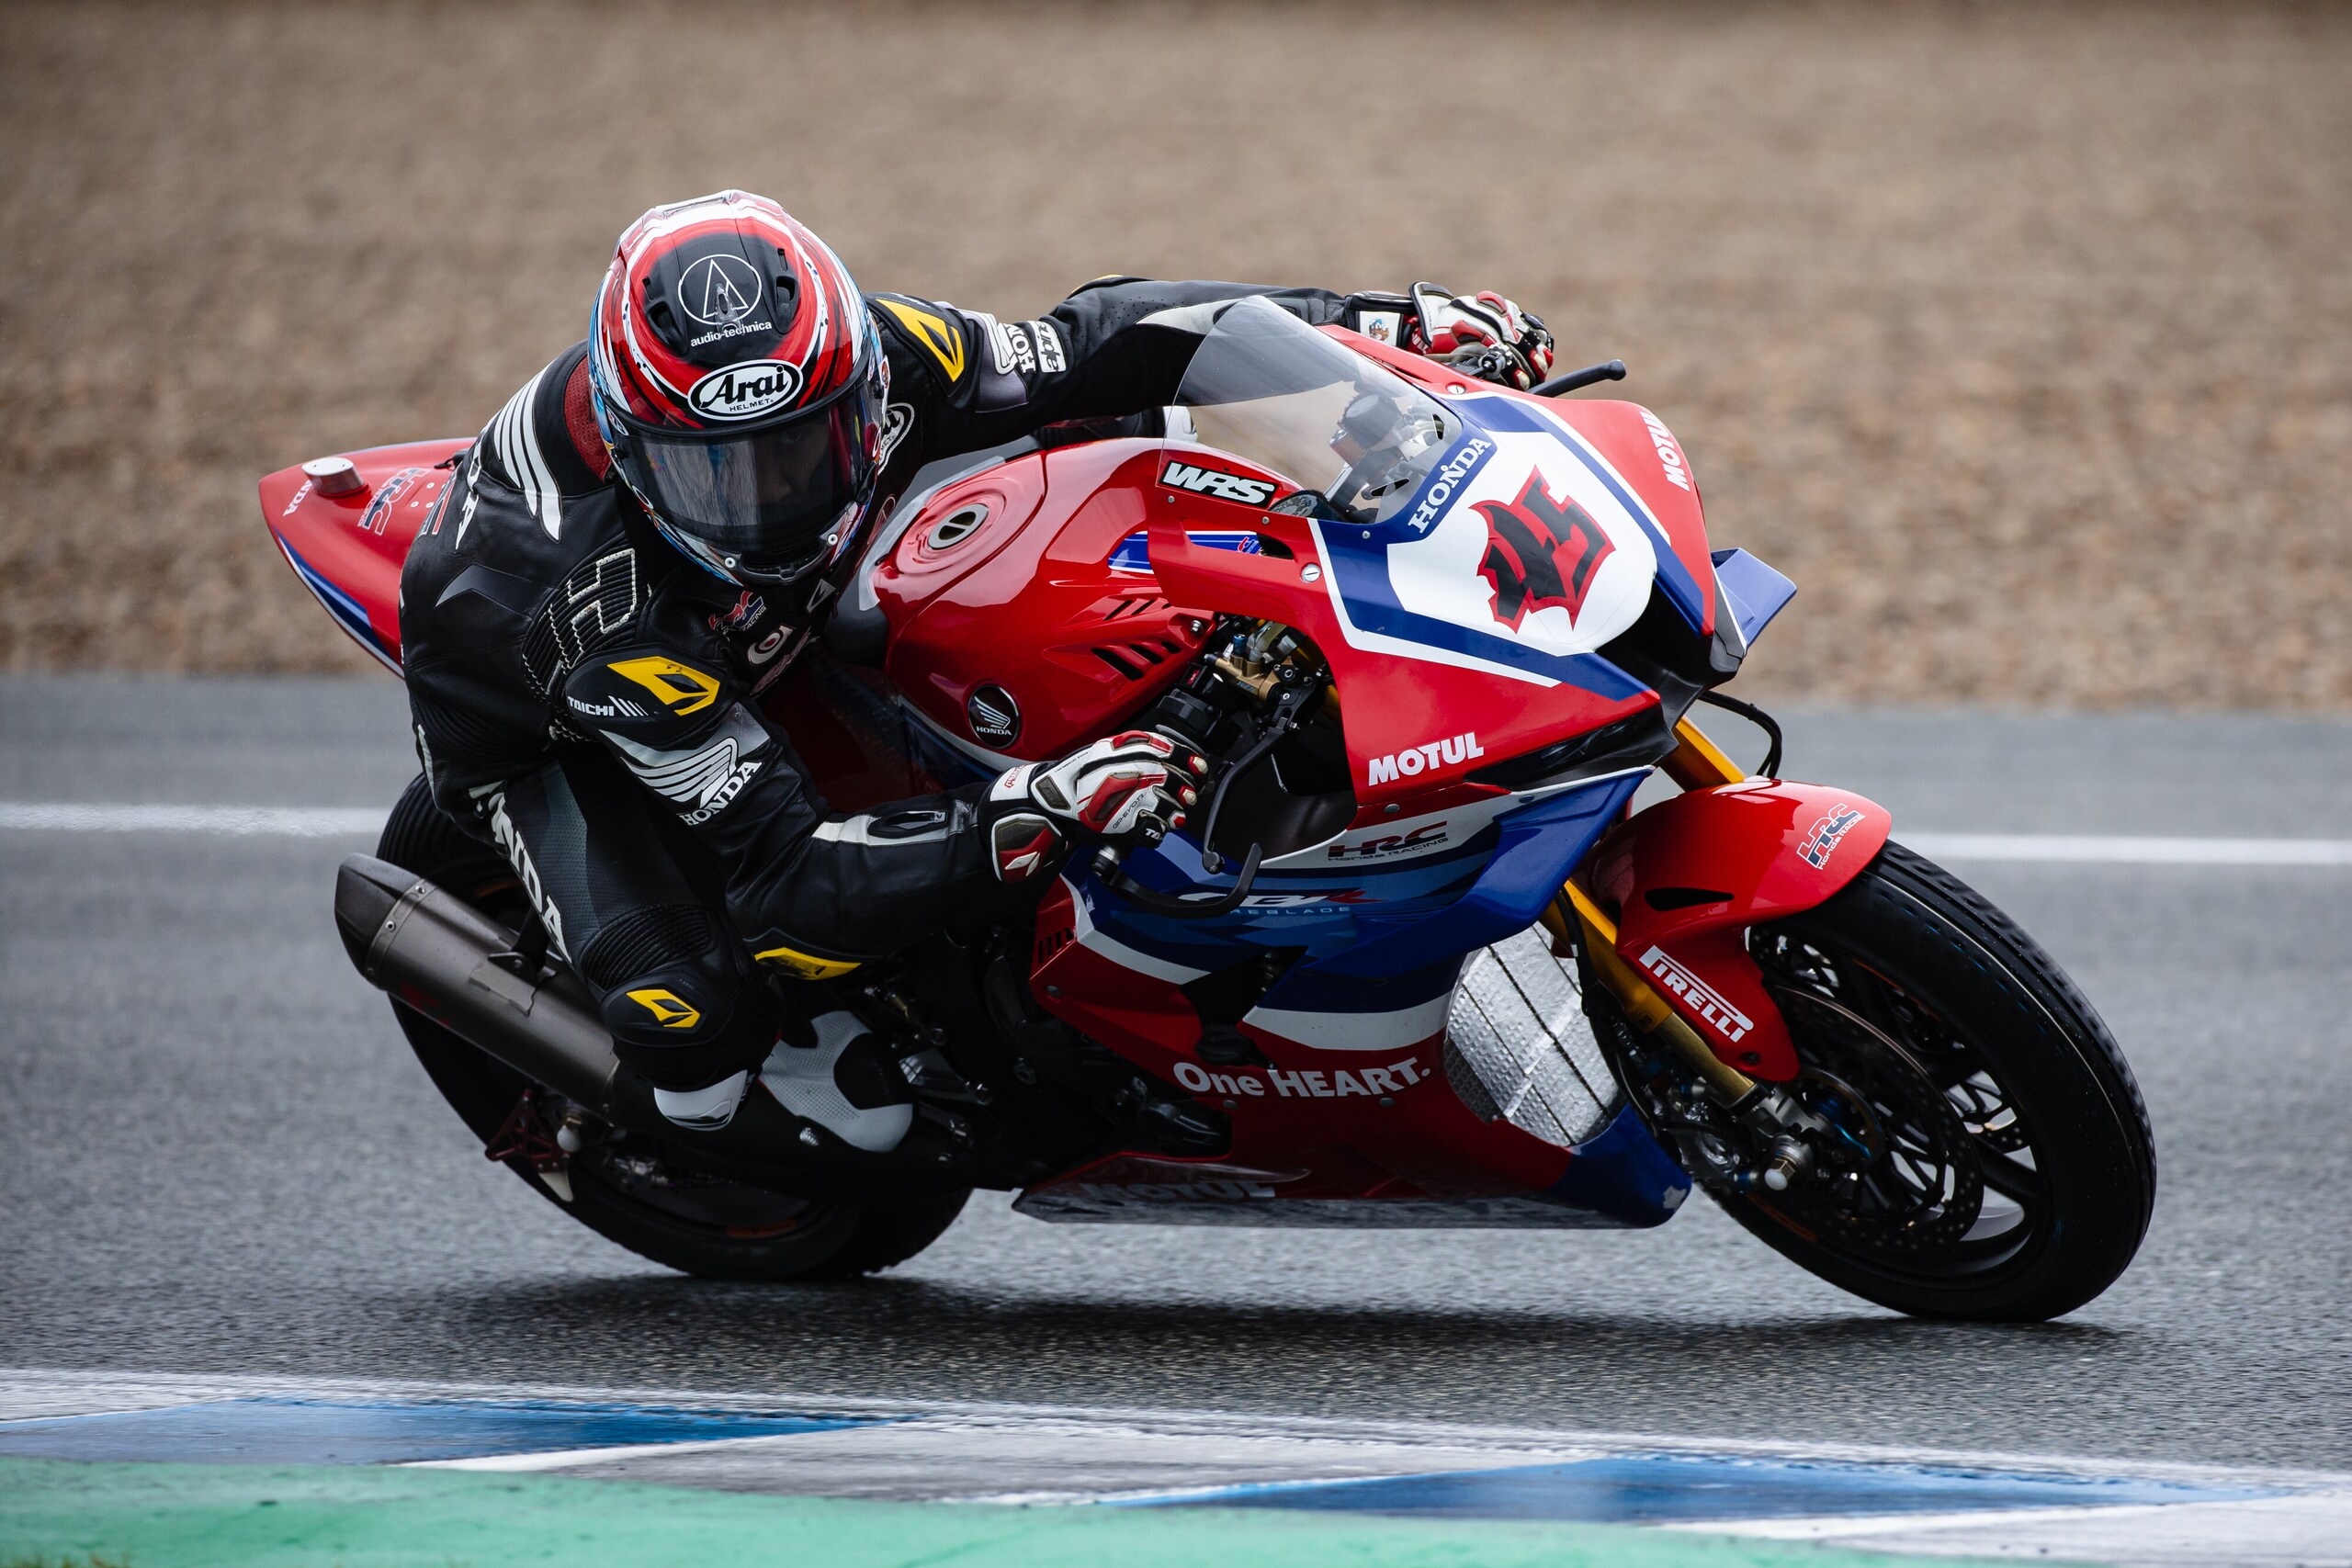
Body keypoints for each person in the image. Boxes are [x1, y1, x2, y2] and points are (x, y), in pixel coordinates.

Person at [396, 189, 1555, 1137]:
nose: (772, 499)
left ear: (850, 380)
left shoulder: (884, 354)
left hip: (765, 625)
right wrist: (1041, 805)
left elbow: (1100, 342)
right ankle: (694, 1120)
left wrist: (1367, 332)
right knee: (697, 1025)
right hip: (553, 725)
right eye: (721, 475)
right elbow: (789, 869)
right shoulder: (587, 612)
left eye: (804, 448)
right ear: (634, 444)